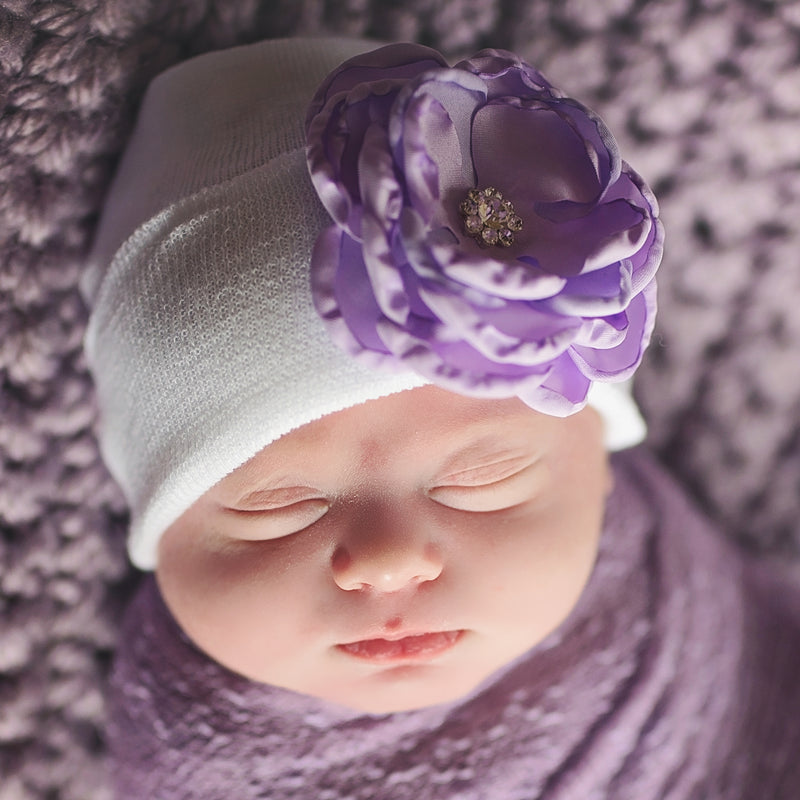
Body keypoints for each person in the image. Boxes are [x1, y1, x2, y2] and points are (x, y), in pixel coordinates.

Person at [82, 37, 800, 799]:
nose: (391, 561)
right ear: (159, 541)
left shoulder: (672, 597)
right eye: (278, 508)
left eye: (480, 482)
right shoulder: (195, 751)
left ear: (599, 471)